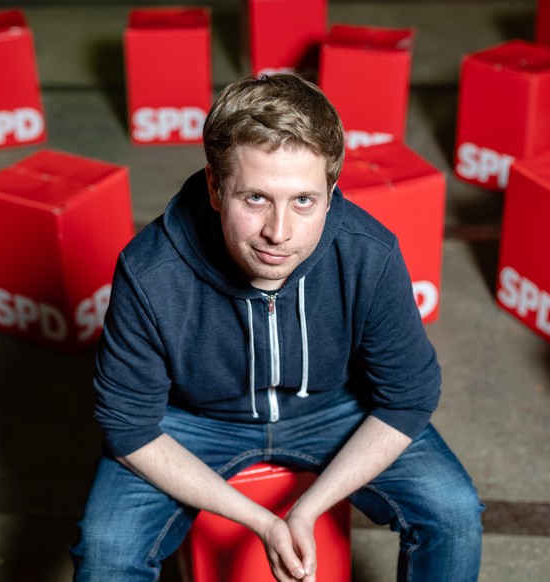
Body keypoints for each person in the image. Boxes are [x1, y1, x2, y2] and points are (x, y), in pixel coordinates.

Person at [71, 73, 484, 582]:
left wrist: (308, 508)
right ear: (215, 188)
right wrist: (263, 522)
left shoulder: (367, 254)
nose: (279, 233)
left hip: (333, 407)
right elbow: (128, 426)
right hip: (191, 421)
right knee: (106, 550)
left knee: (455, 511)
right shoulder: (150, 271)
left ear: (331, 192)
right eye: (256, 199)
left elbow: (408, 397)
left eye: (304, 201)